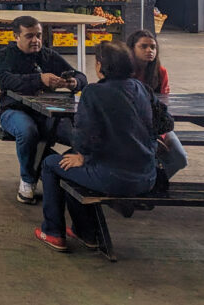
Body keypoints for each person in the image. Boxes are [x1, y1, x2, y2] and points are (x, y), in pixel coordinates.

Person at [35, 41, 157, 252]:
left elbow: (84, 132)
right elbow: (165, 122)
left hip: (114, 177)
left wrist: (81, 154)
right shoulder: (141, 88)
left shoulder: (94, 92)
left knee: (51, 164)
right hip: (147, 176)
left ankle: (53, 232)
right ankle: (85, 231)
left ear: (100, 65)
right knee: (70, 162)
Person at [0, 16, 87, 204]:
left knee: (78, 136)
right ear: (16, 37)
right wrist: (39, 80)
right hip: (14, 110)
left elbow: (81, 77)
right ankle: (28, 180)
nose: (36, 40)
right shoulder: (6, 55)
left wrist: (73, 82)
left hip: (49, 112)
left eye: (38, 35)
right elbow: (6, 81)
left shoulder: (48, 55)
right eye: (29, 36)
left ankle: (69, 175)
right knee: (27, 132)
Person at [127, 30, 187, 179]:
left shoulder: (160, 72)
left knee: (179, 158)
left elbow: (163, 108)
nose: (149, 50)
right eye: (144, 46)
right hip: (129, 128)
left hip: (157, 126)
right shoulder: (124, 72)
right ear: (132, 48)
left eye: (153, 47)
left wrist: (159, 135)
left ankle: (154, 185)